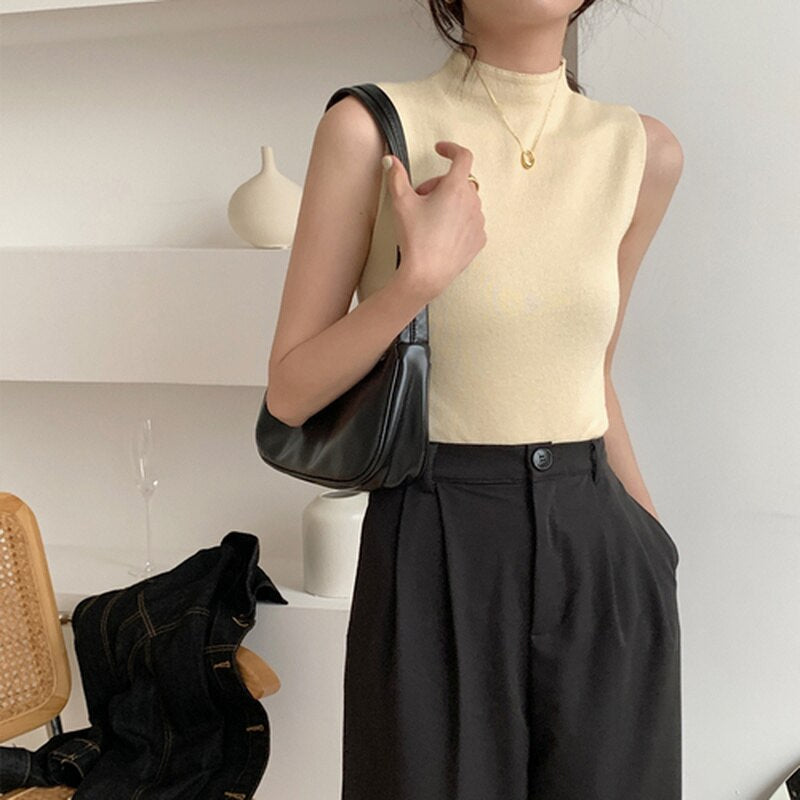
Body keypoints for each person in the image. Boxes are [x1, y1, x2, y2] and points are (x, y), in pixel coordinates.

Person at [265, 1, 684, 797]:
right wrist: (416, 281)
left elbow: (594, 369)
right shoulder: (370, 129)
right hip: (436, 535)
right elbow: (290, 392)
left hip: (600, 545)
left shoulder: (642, 151)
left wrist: (651, 544)